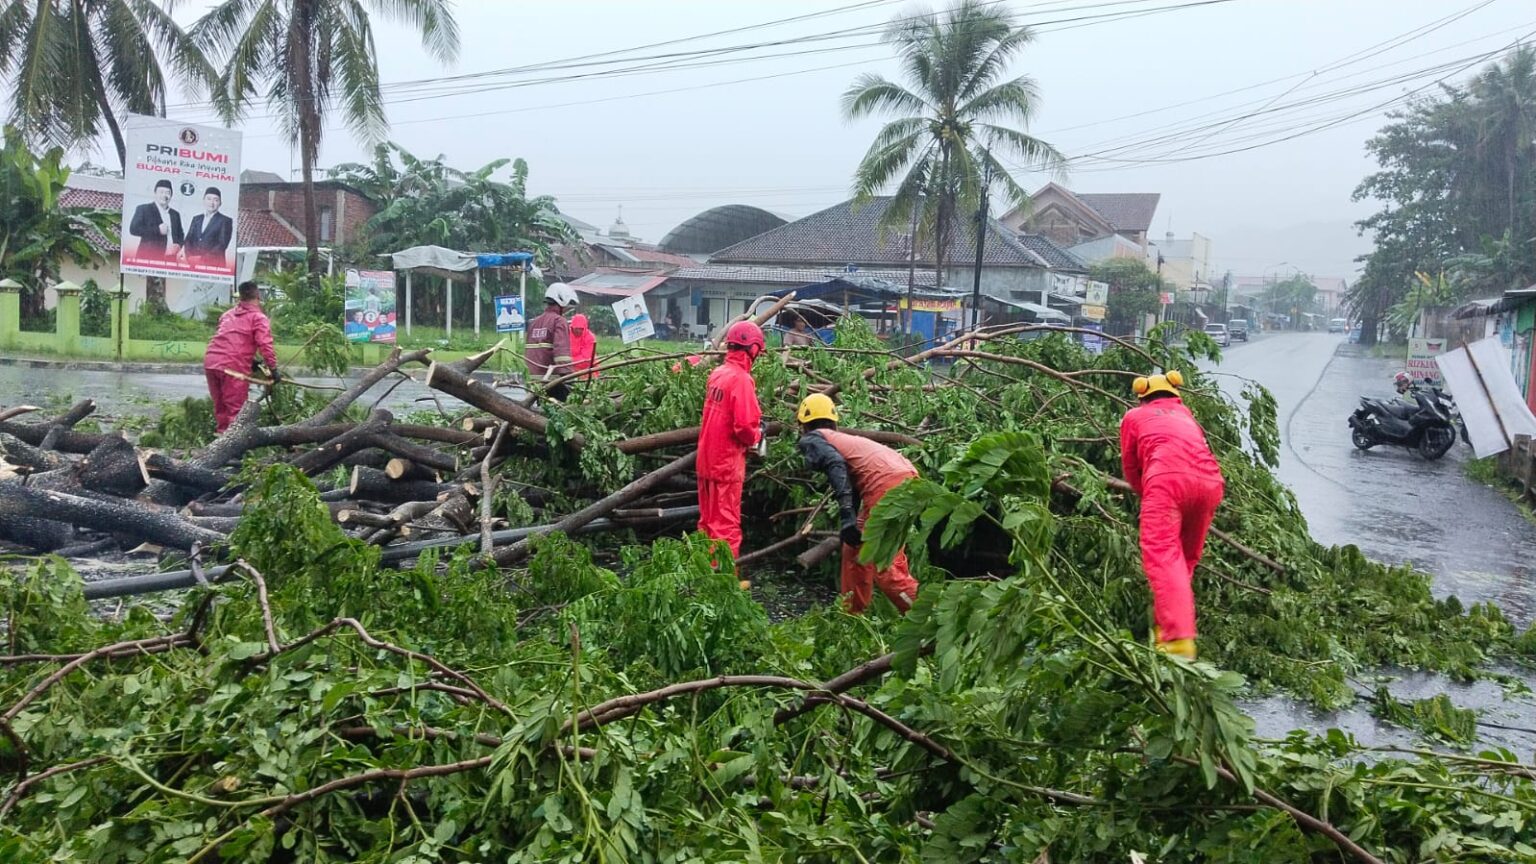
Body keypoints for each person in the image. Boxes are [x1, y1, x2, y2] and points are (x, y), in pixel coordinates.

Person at [1119, 370, 1224, 660]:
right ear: (1175, 393)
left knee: (1163, 555)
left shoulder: (1134, 417)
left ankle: (1177, 640)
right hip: (1211, 484)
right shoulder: (1186, 415)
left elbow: (1130, 466)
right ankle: (1171, 617)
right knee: (1185, 557)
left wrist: (1148, 493)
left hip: (1166, 483)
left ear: (1142, 396)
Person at [795, 394, 920, 614]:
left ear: (802, 424)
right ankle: (852, 617)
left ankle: (927, 618)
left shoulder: (813, 439)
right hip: (904, 477)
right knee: (854, 549)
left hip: (885, 486)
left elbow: (836, 466)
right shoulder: (842, 441)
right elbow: (852, 482)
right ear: (834, 420)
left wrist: (845, 515)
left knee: (885, 567)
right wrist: (851, 521)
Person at [697, 321, 765, 584]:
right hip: (726, 464)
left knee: (707, 524)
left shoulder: (718, 373)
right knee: (726, 527)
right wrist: (759, 435)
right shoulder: (741, 380)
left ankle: (703, 576)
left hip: (706, 460)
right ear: (754, 348)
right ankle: (725, 585)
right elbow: (745, 428)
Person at [204, 281, 279, 433]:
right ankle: (233, 448)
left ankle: (219, 442)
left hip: (211, 361)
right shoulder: (258, 318)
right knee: (236, 410)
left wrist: (251, 361)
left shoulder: (227, 315)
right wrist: (273, 368)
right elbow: (265, 345)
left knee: (221, 407)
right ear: (258, 296)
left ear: (240, 297)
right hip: (233, 367)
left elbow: (229, 337)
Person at [526, 282, 578, 401]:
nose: (566, 309)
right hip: (552, 380)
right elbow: (562, 354)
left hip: (534, 379)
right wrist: (569, 378)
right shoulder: (559, 321)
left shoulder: (534, 322)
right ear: (562, 301)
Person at [129, 179, 184, 261]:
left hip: (170, 259)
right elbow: (134, 229)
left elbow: (181, 234)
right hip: (149, 257)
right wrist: (157, 230)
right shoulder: (144, 209)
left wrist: (178, 245)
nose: (164, 195)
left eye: (168, 193)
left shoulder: (175, 214)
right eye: (161, 192)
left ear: (171, 196)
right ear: (155, 193)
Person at [180, 187, 233, 266]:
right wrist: (190, 256)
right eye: (209, 199)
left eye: (216, 200)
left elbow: (222, 244)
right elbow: (188, 239)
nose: (212, 203)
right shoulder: (196, 219)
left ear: (220, 203)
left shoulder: (225, 220)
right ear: (203, 201)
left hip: (214, 265)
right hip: (193, 263)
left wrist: (202, 259)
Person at [570, 313, 598, 380]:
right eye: (576, 328)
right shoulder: (566, 334)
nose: (578, 331)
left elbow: (586, 360)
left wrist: (569, 361)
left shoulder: (590, 338)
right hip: (569, 369)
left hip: (587, 371)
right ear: (572, 327)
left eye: (581, 329)